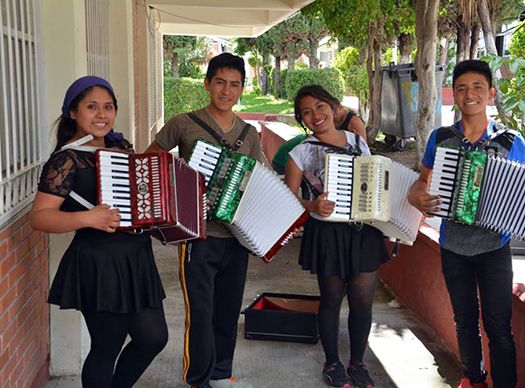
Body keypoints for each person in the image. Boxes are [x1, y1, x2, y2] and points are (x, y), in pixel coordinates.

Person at [407, 60, 525, 388]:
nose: (469, 94)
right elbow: (422, 181)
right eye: (461, 88)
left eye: (477, 87)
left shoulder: (510, 141)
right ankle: (473, 379)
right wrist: (416, 196)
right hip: (453, 246)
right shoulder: (441, 138)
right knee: (463, 321)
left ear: (490, 93)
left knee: (499, 326)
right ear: (454, 96)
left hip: (494, 248)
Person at [28, 76, 168, 388]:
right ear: (73, 113)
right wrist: (88, 218)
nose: (101, 114)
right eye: (92, 107)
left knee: (153, 337)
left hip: (136, 257)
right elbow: (40, 218)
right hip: (99, 262)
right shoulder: (65, 160)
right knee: (107, 347)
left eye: (108, 107)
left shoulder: (121, 147)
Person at [145, 53, 266, 388]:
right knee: (201, 313)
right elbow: (151, 160)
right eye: (220, 82)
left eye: (235, 84)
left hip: (236, 238)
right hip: (198, 237)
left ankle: (222, 373)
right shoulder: (183, 123)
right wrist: (179, 191)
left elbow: (256, 180)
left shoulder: (250, 134)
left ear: (242, 88)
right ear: (207, 84)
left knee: (227, 312)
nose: (226, 91)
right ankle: (198, 378)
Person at [284, 84, 389, 388]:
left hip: (363, 231)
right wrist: (311, 204)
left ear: (332, 107)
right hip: (327, 234)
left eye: (320, 106)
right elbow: (287, 197)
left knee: (362, 301)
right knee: (331, 299)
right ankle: (332, 363)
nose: (316, 115)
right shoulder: (301, 151)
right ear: (302, 120)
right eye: (307, 112)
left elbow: (373, 180)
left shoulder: (357, 140)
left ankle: (358, 363)